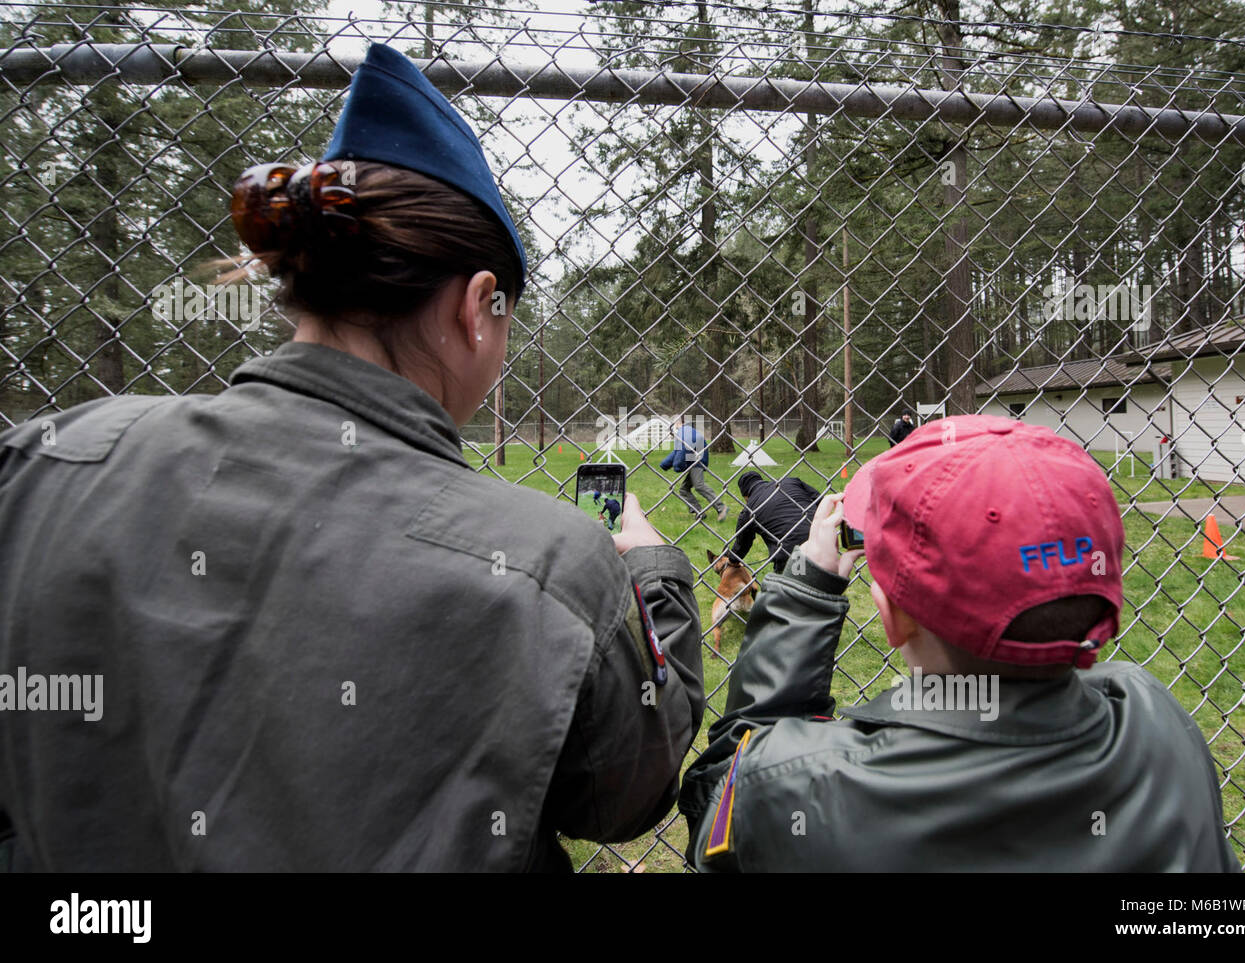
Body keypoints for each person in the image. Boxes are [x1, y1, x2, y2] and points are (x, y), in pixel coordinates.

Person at [0, 43, 704, 872]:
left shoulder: (42, 463)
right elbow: (625, 791)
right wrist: (653, 571)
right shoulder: (550, 565)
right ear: (479, 307)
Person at [680, 415, 1240, 872]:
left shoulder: (810, 784)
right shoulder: (1157, 723)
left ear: (892, 619)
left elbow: (720, 798)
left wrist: (806, 594)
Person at [726, 471, 821, 575]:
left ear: (746, 496)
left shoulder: (748, 510)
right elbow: (819, 499)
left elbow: (742, 543)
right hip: (821, 539)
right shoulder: (791, 481)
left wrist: (732, 560)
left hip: (791, 552)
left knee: (794, 587)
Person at [660, 415, 727, 522]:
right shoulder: (687, 431)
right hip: (695, 460)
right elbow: (677, 451)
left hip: (696, 460)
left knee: (699, 485)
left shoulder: (683, 432)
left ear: (677, 423)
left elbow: (681, 449)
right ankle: (699, 511)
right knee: (684, 489)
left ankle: (721, 507)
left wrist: (678, 466)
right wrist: (665, 464)